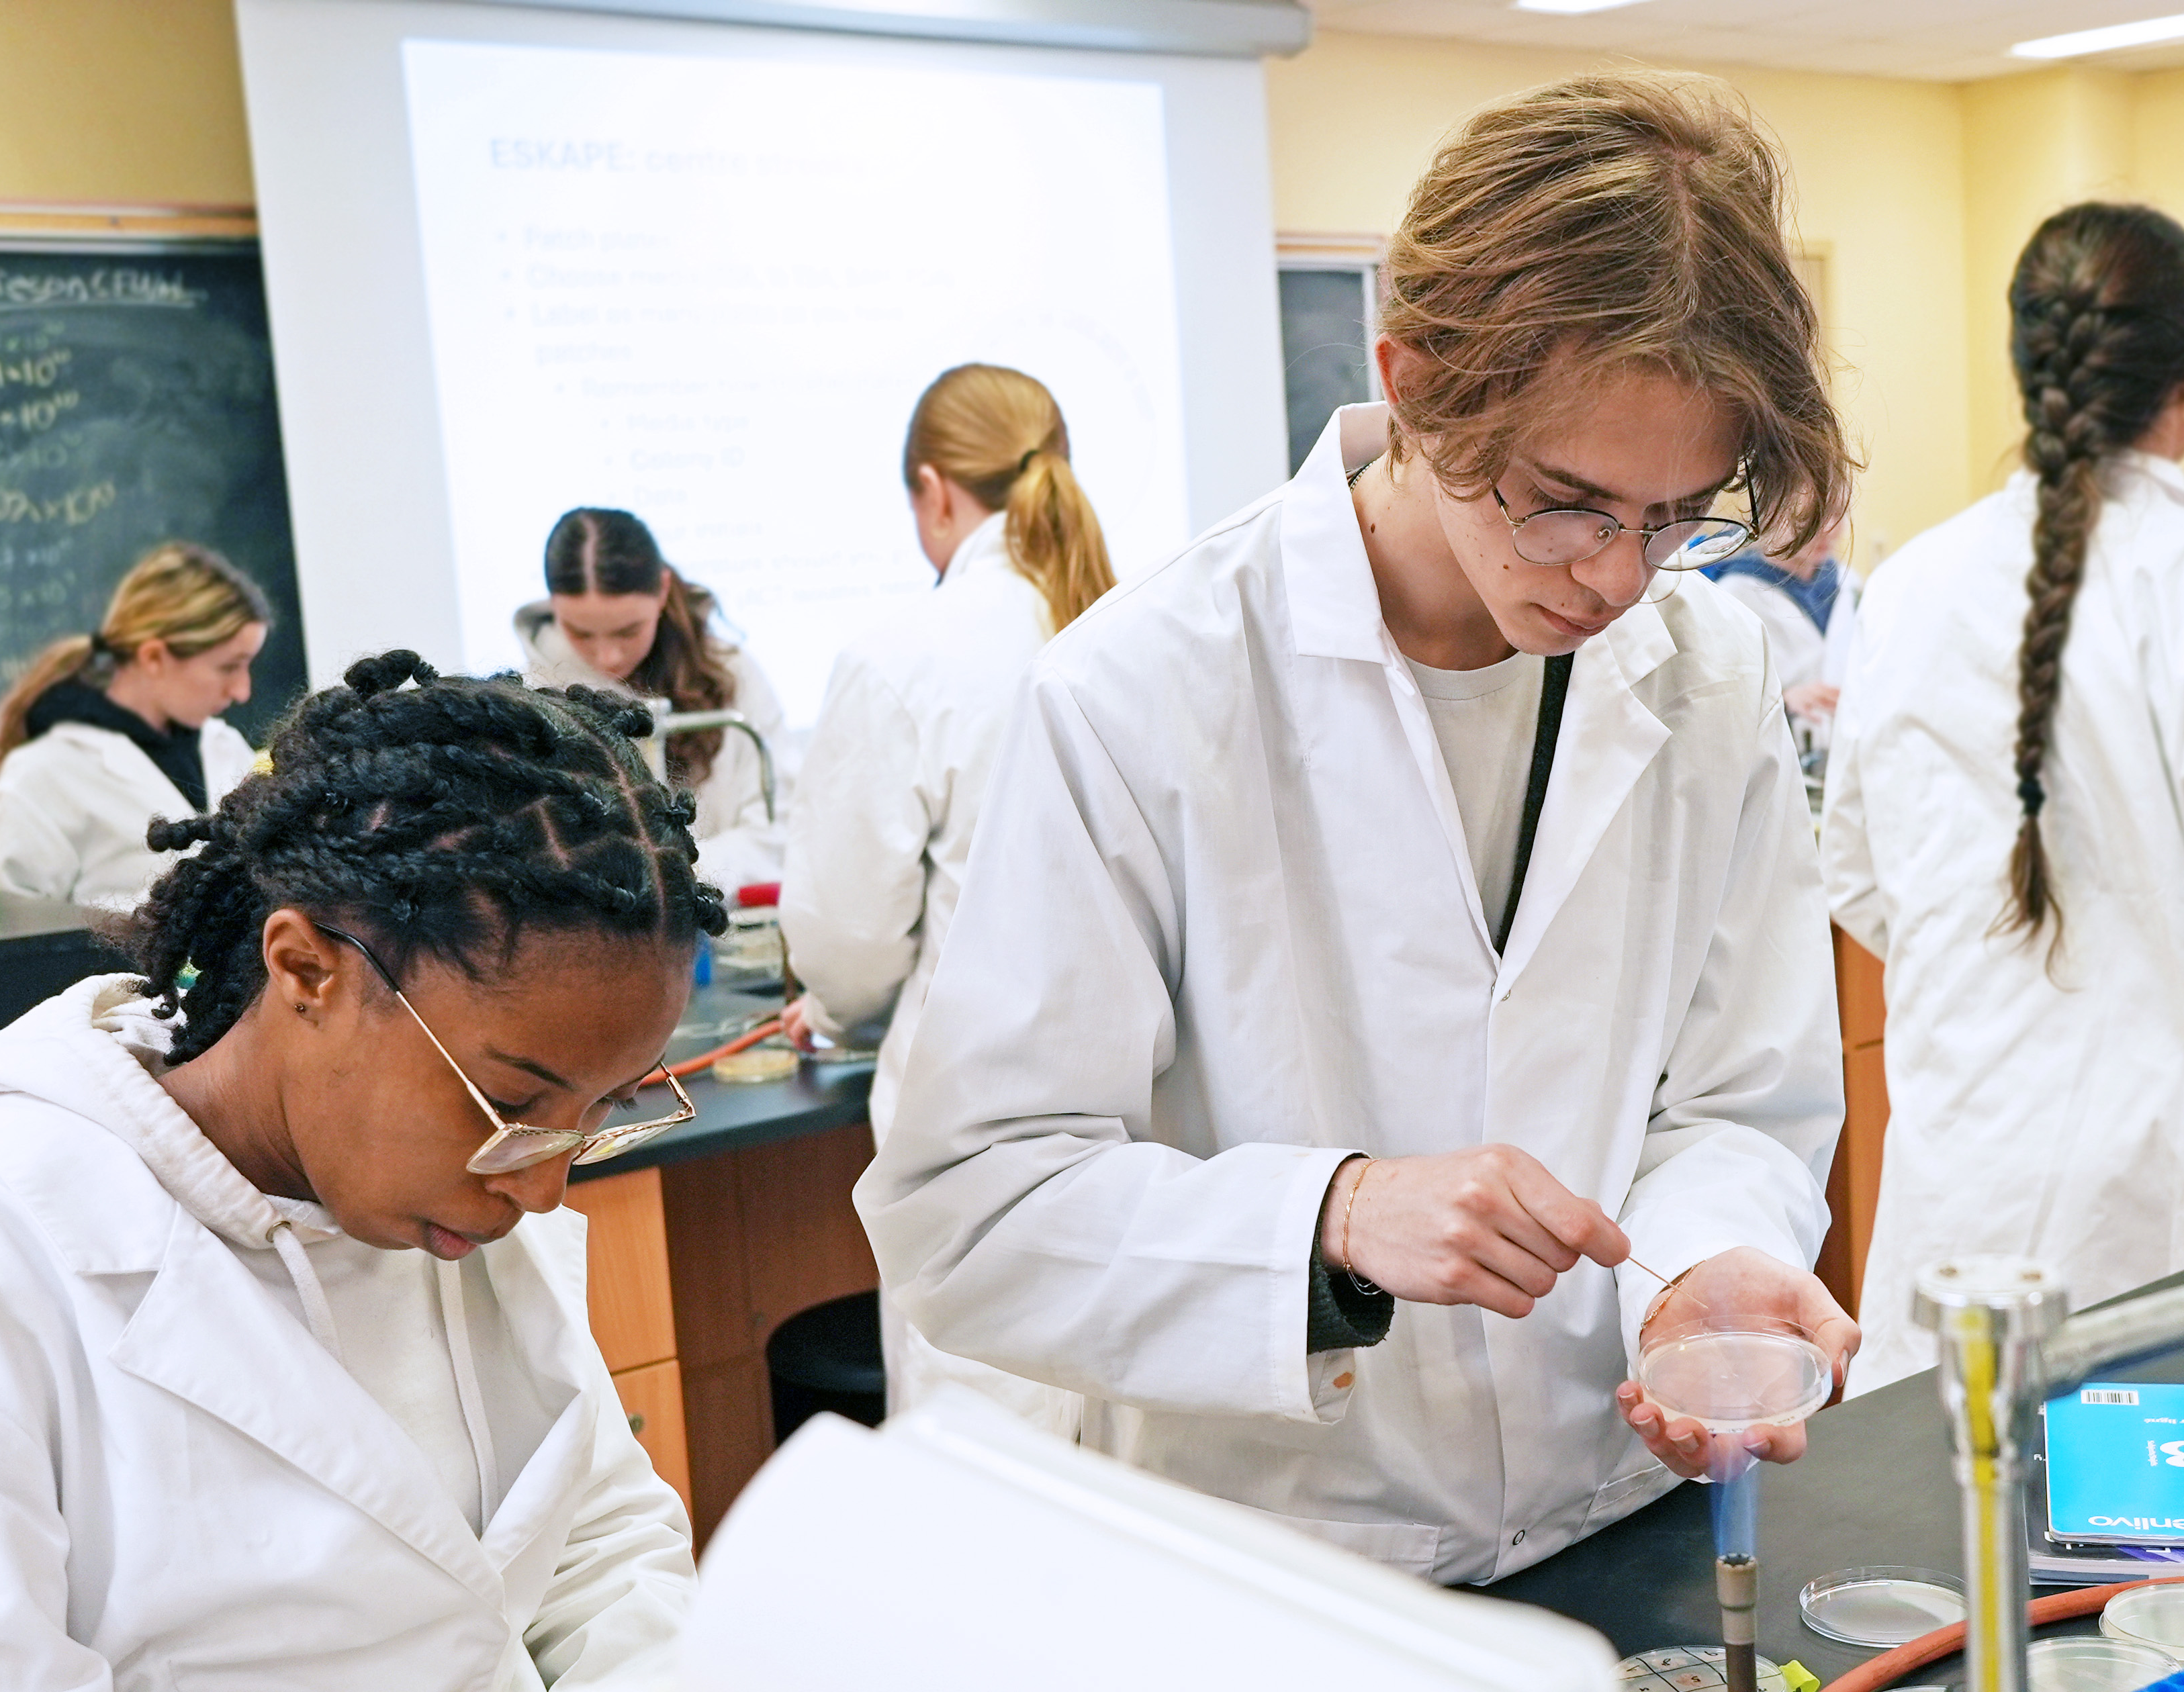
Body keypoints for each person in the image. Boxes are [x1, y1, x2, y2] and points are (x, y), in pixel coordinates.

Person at [856, 73, 1859, 1586]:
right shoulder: (1142, 691)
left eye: (1674, 516)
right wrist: (1328, 1218)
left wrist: (1704, 1269)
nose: (1616, 578)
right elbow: (969, 1208)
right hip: (1288, 1564)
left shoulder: (1706, 674)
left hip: (1613, 1520)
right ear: (1412, 378)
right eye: (1567, 502)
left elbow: (1739, 1101)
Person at [0, 651, 718, 1692]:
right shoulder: (14, 1244)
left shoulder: (441, 1189)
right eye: (518, 1102)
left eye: (599, 1113)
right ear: (306, 969)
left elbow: (598, 1541)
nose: (544, 1182)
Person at [1819, 202, 2184, 1391]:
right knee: (2176, 1545)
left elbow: (1859, 872)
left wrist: (1991, 967)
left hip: (1965, 1159)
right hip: (2171, 1175)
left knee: (1960, 1524)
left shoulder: (1909, 585)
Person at [780, 363, 1116, 1429]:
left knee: (988, 1460)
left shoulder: (904, 655)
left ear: (934, 491)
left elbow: (847, 935)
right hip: (1144, 1104)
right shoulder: (1132, 622)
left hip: (981, 1120)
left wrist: (830, 1011)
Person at [0, 543, 267, 908]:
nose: (242, 691)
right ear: (154, 657)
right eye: (228, 666)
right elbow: (24, 942)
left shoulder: (225, 746)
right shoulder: (41, 775)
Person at [516, 508, 788, 893]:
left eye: (628, 631)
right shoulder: (533, 698)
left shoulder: (731, 673)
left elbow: (775, 830)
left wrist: (677, 877)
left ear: (662, 590)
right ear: (554, 607)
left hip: (722, 929)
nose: (607, 656)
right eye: (582, 633)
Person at [1705, 505, 1858, 743]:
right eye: (1807, 516)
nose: (1828, 528)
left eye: (1838, 513)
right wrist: (1783, 703)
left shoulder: (1848, 582)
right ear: (1767, 512)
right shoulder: (1733, 596)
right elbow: (1715, 708)